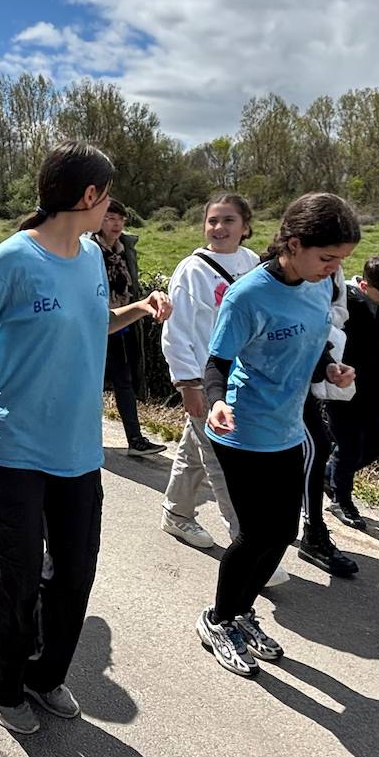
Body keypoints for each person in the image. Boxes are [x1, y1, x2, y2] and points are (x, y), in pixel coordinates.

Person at [0, 140, 173, 735]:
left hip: (78, 450)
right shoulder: (14, 259)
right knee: (15, 578)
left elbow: (94, 321)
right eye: (108, 196)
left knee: (73, 574)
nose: (110, 208)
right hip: (15, 446)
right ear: (89, 196)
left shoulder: (94, 256)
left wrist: (138, 309)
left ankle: (45, 676)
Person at [195, 193, 360, 677]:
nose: (334, 270)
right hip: (242, 430)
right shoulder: (249, 295)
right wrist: (218, 400)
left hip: (289, 429)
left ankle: (241, 611)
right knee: (255, 535)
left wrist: (332, 368)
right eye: (327, 257)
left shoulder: (318, 285)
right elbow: (216, 362)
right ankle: (219, 617)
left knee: (283, 533)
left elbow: (312, 349)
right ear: (292, 243)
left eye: (340, 261)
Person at [157, 196, 270, 565]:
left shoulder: (253, 263)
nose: (219, 228)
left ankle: (176, 513)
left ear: (246, 226)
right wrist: (189, 384)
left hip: (245, 381)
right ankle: (247, 546)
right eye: (212, 221)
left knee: (196, 449)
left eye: (228, 220)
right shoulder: (192, 270)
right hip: (209, 380)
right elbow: (176, 331)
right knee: (224, 463)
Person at [323, 256, 379, 531]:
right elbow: (344, 344)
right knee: (350, 446)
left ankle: (328, 476)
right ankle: (341, 500)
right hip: (344, 387)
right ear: (363, 284)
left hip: (375, 389)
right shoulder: (346, 303)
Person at [295, 268, 360, 579]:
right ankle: (309, 532)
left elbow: (337, 312)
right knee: (315, 448)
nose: (333, 263)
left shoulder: (330, 270)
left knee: (313, 449)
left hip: (307, 374)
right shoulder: (268, 274)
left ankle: (310, 530)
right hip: (274, 383)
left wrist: (328, 364)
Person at [93, 198, 166, 457]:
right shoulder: (88, 249)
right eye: (110, 218)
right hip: (94, 325)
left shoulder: (126, 249)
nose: (116, 224)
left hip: (122, 323)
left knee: (124, 380)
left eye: (120, 219)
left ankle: (135, 439)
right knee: (91, 383)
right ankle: (85, 435)